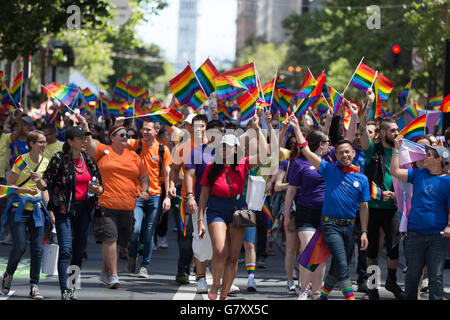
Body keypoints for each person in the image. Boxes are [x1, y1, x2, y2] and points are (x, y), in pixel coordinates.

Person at [290, 113, 370, 300]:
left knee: (337, 266)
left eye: (347, 152)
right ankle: (349, 298)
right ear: (337, 154)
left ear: (353, 153)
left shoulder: (362, 178)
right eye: (340, 152)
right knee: (342, 264)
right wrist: (295, 127)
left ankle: (323, 295)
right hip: (329, 225)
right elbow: (307, 151)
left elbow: (364, 206)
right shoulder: (329, 169)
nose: (344, 155)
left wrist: (364, 231)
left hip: (350, 227)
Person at [197, 113, 269, 300]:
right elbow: (203, 196)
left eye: (228, 147)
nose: (224, 149)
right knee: (220, 251)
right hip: (216, 210)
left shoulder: (244, 164)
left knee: (234, 256)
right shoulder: (211, 167)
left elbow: (266, 153)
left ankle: (224, 294)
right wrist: (200, 221)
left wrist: (258, 128)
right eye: (222, 147)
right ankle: (215, 283)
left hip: (238, 210)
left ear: (236, 149)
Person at [80, 114, 150, 289]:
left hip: (128, 206)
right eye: (121, 134)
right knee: (109, 239)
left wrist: (145, 190)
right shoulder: (104, 151)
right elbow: (88, 145)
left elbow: (144, 177)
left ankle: (105, 272)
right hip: (106, 204)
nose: (126, 137)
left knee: (120, 241)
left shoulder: (134, 157)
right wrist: (85, 125)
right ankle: (113, 275)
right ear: (112, 138)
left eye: (127, 135)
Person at [36, 126, 103, 300]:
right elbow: (46, 180)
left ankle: (72, 288)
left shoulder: (89, 160)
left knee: (79, 251)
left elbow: (101, 187)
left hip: (84, 209)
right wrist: (40, 183)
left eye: (85, 138)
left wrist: (96, 189)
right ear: (70, 141)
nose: (84, 141)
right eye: (80, 138)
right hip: (64, 209)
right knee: (66, 250)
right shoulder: (59, 159)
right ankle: (65, 290)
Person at [390, 136, 450, 300]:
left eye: (429, 154)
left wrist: (449, 226)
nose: (425, 156)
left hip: (437, 237)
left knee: (436, 276)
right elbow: (394, 171)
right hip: (414, 234)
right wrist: (396, 149)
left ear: (439, 160)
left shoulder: (448, 182)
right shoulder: (418, 174)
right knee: (412, 275)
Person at [119, 117, 172, 278]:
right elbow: (119, 139)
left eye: (148, 129)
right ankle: (133, 256)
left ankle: (144, 266)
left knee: (149, 232)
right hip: (136, 195)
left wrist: (167, 196)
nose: (145, 132)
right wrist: (119, 124)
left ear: (156, 131)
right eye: (143, 129)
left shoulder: (163, 150)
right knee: (134, 230)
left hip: (155, 196)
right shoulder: (136, 144)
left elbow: (168, 175)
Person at [1, 130, 50, 299]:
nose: (44, 145)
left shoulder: (46, 162)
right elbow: (9, 187)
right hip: (19, 208)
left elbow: (44, 188)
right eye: (40, 142)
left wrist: (39, 182)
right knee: (20, 246)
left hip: (36, 209)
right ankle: (8, 275)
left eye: (44, 142)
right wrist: (25, 189)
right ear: (31, 144)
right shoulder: (21, 160)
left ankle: (34, 286)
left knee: (37, 250)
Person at [360, 113, 404, 300]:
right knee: (372, 248)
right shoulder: (372, 149)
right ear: (384, 132)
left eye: (397, 130)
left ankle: (392, 282)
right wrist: (367, 106)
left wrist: (397, 195)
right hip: (372, 207)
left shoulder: (401, 151)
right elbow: (362, 129)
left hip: (393, 208)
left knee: (393, 248)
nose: (396, 133)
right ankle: (372, 286)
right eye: (393, 130)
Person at [285, 128, 332, 300]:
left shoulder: (330, 160)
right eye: (328, 142)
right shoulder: (299, 163)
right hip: (305, 213)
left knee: (320, 253)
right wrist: (286, 216)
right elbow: (290, 192)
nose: (331, 145)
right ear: (320, 144)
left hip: (326, 213)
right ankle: (303, 288)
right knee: (308, 247)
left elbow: (347, 140)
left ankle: (316, 291)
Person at [169, 113, 208, 285]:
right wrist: (171, 184)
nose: (198, 129)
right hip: (187, 199)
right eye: (195, 126)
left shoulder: (214, 147)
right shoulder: (182, 147)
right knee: (186, 238)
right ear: (190, 128)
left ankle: (199, 269)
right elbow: (175, 170)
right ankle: (182, 270)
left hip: (210, 201)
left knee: (205, 237)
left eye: (202, 126)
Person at [0, 109, 24, 244]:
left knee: (5, 207)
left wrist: (18, 119)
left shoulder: (5, 137)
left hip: (3, 178)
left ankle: (7, 232)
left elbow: (19, 132)